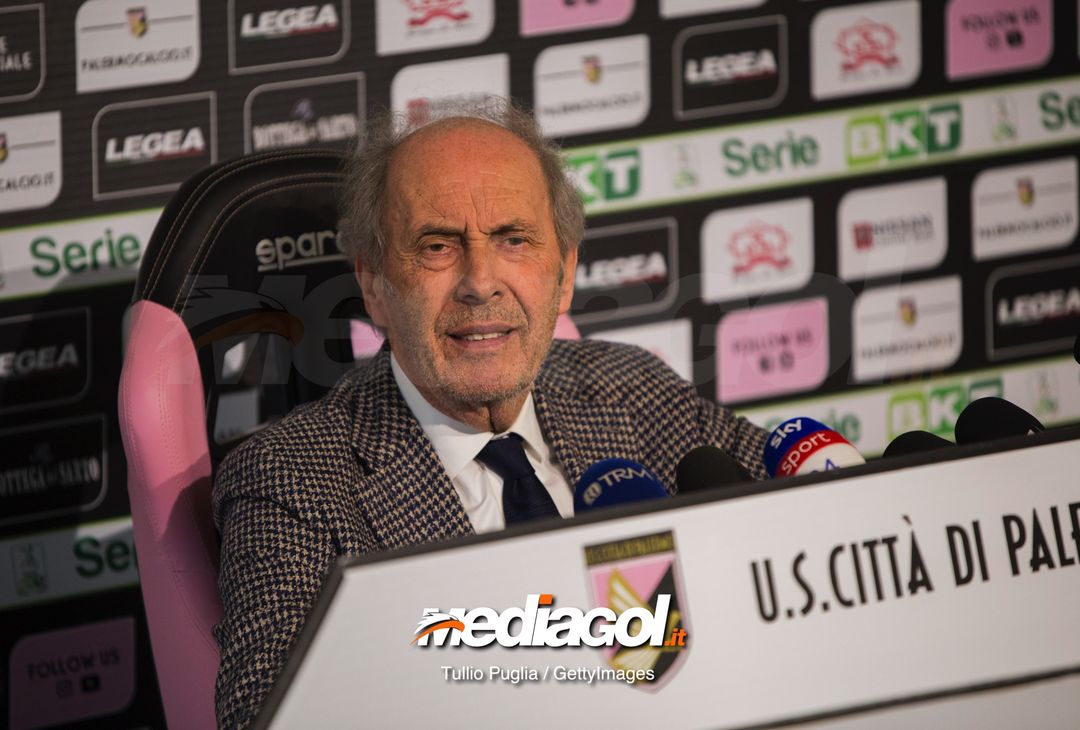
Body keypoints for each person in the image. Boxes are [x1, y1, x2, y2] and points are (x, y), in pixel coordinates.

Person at [212, 99, 767, 728]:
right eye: (438, 245)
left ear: (563, 275)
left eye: (513, 239)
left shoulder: (632, 390)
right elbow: (272, 713)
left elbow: (809, 524)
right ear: (374, 287)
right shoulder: (291, 481)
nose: (481, 281)